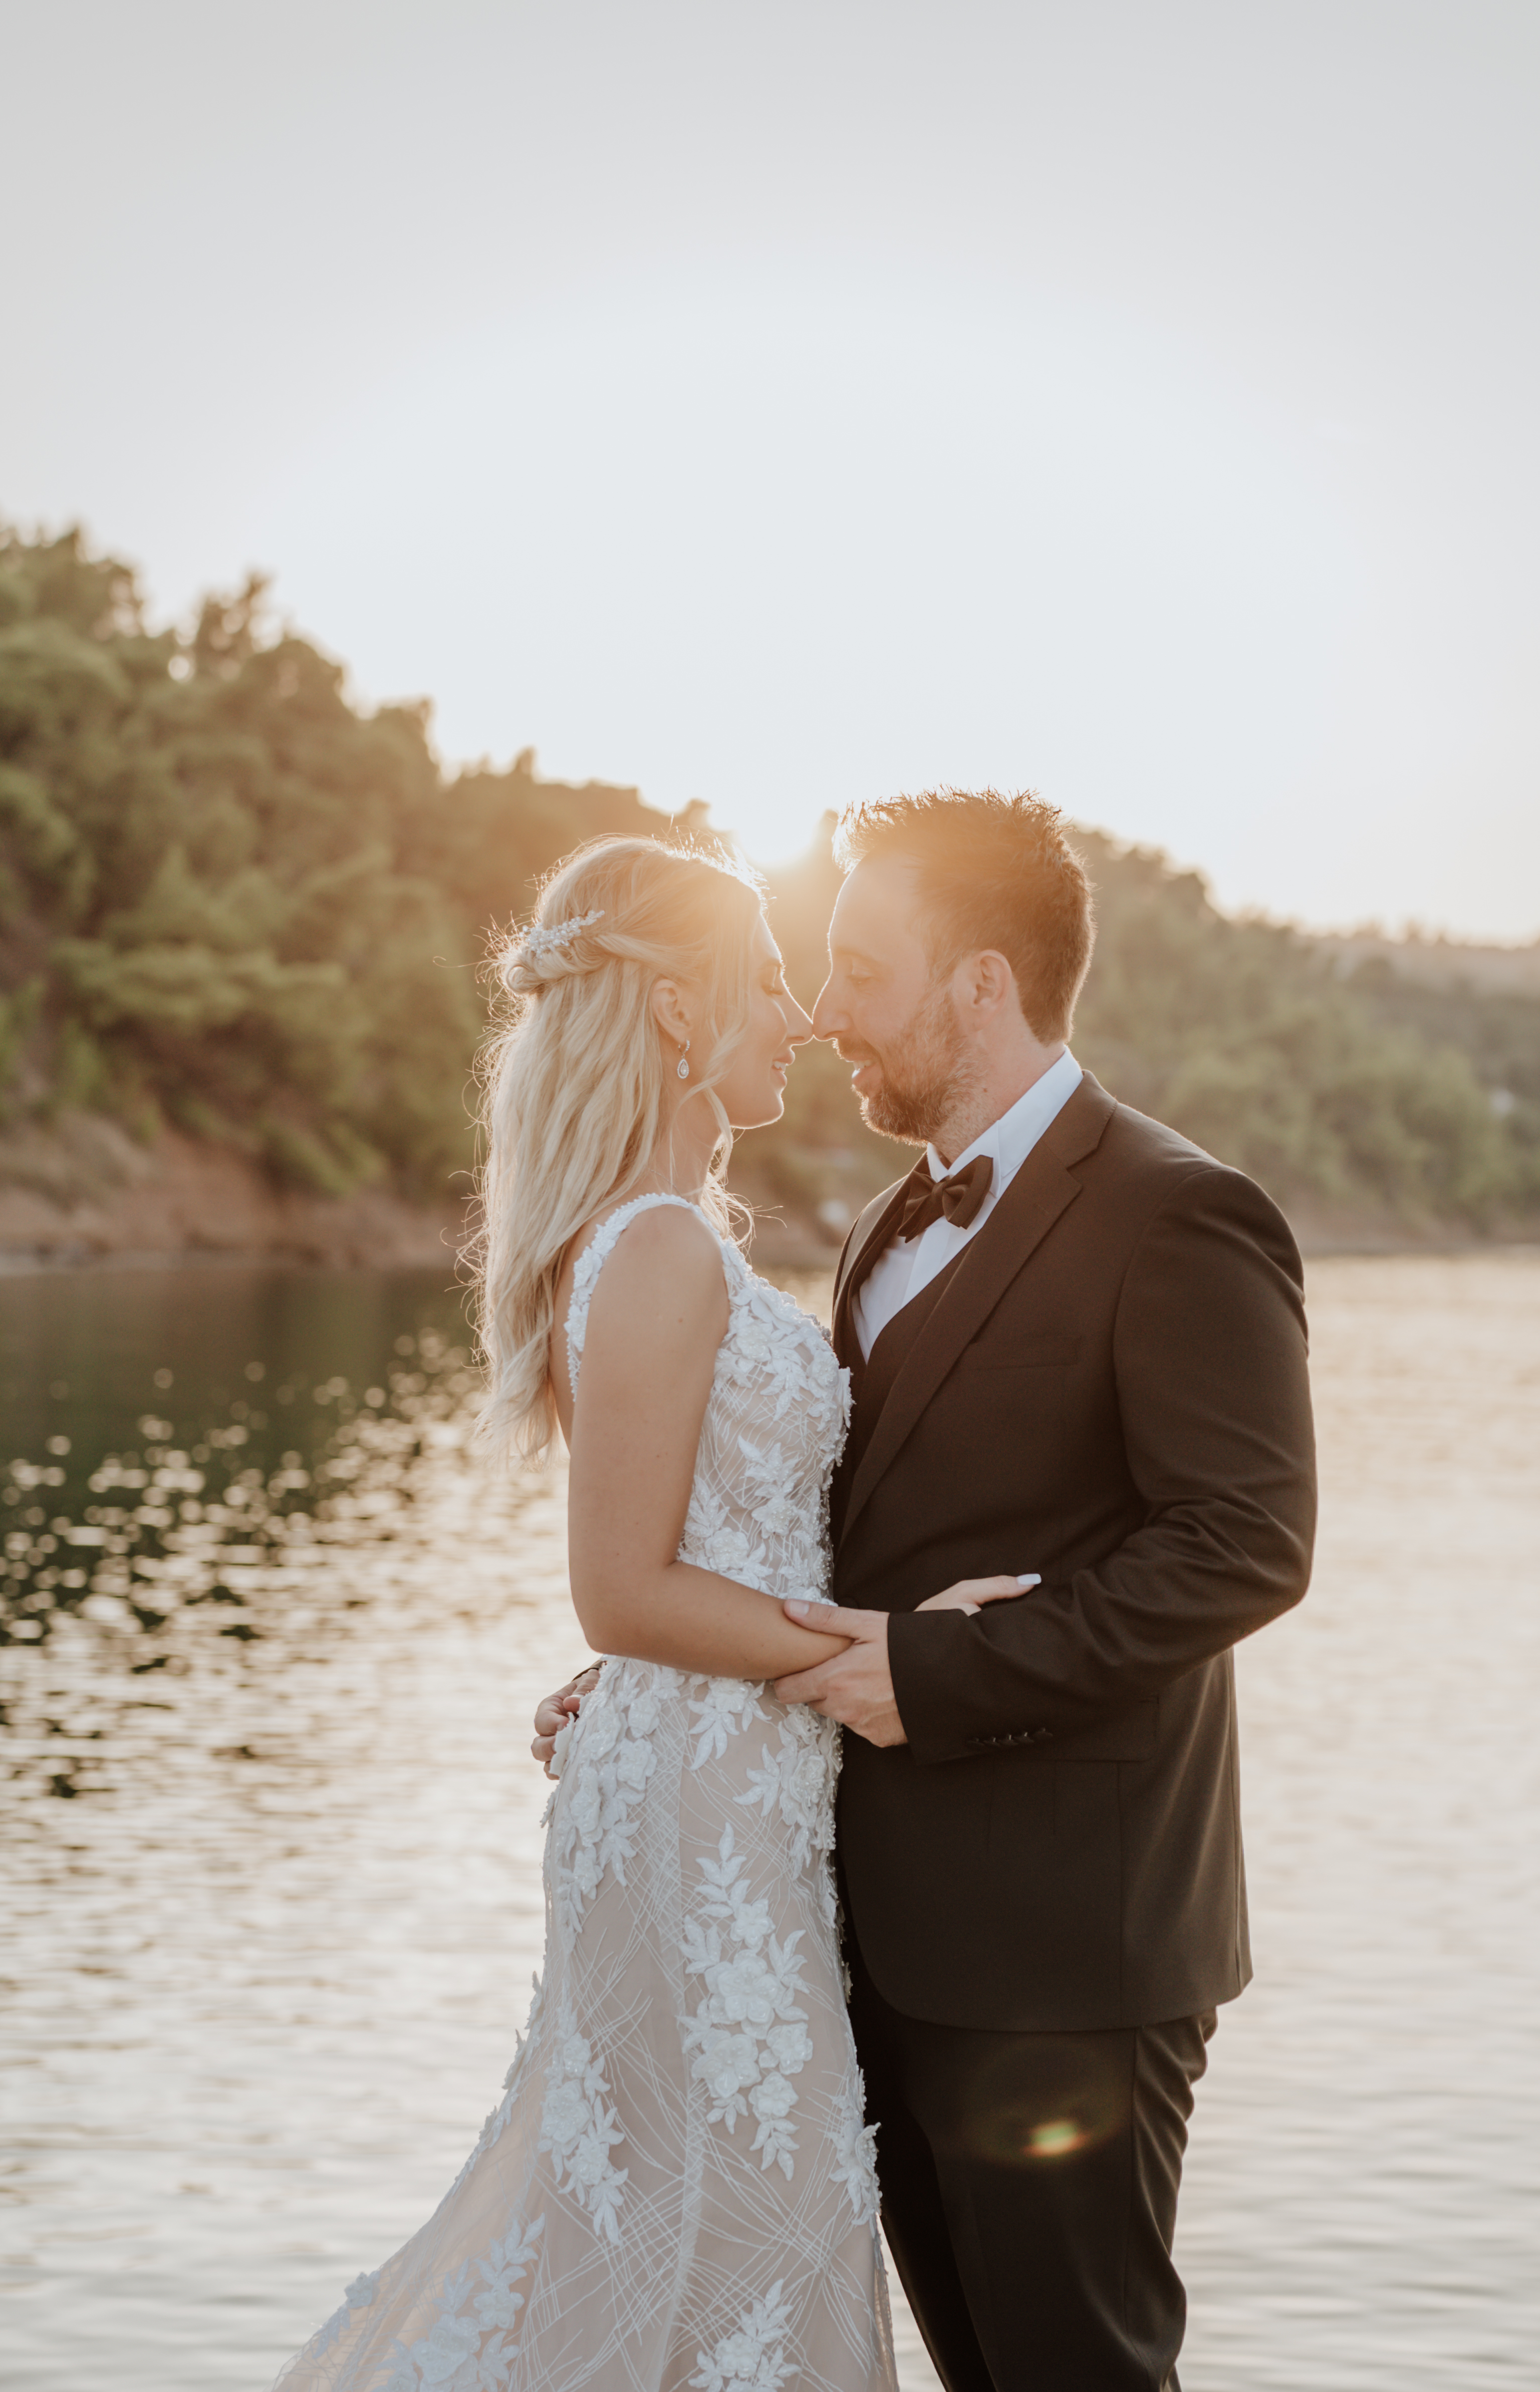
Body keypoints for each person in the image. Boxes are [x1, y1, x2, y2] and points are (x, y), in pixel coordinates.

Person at [537, 791, 1318, 2391]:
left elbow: (1244, 1539)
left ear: (979, 984)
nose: (822, 1013)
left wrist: (942, 1674)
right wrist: (650, 1664)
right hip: (852, 1934)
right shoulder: (885, 1228)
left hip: (1066, 1953)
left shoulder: (1176, 1213)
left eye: (862, 971)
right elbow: (829, 1544)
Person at [274, 833, 1018, 2392]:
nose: (796, 1014)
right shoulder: (662, 1243)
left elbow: (670, 1565)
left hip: (714, 1772)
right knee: (749, 2206)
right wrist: (880, 1645)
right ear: (677, 1012)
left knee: (685, 2211)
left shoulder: (655, 1236)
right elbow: (622, 1589)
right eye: (761, 979)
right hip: (701, 1811)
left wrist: (677, 1662)